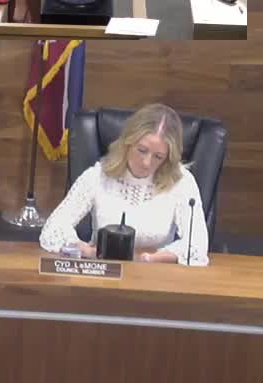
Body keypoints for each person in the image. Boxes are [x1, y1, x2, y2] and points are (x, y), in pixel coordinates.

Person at [40, 103, 209, 266]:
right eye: (142, 150)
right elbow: (53, 229)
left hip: (157, 275)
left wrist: (150, 259)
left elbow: (196, 245)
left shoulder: (181, 182)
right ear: (128, 143)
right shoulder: (98, 176)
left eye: (158, 157)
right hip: (104, 271)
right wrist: (89, 252)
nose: (146, 162)